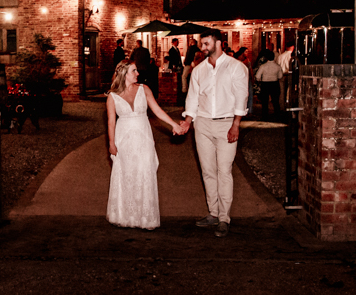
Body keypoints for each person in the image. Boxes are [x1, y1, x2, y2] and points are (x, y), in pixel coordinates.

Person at [179, 28, 249, 238]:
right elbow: (192, 98)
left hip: (227, 123)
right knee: (208, 170)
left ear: (219, 43)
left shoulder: (236, 67)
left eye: (206, 44)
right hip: (203, 124)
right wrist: (188, 122)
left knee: (224, 170)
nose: (203, 48)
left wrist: (236, 124)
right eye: (202, 44)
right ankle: (213, 213)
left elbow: (241, 97)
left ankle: (224, 218)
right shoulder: (199, 70)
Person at [106, 59, 184, 229]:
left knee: (145, 172)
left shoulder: (144, 89)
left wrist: (174, 124)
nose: (138, 74)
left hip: (143, 138)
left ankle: (146, 218)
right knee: (126, 174)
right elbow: (111, 123)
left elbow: (157, 110)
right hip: (123, 139)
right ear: (124, 74)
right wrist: (112, 144)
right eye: (134, 71)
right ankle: (126, 216)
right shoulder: (112, 97)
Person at [254, 49, 283, 120]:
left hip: (265, 84)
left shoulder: (263, 66)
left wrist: (260, 80)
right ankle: (277, 115)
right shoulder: (277, 66)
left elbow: (257, 76)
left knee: (264, 101)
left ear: (266, 58)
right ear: (274, 57)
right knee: (275, 101)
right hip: (274, 83)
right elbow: (280, 76)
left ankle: (265, 116)